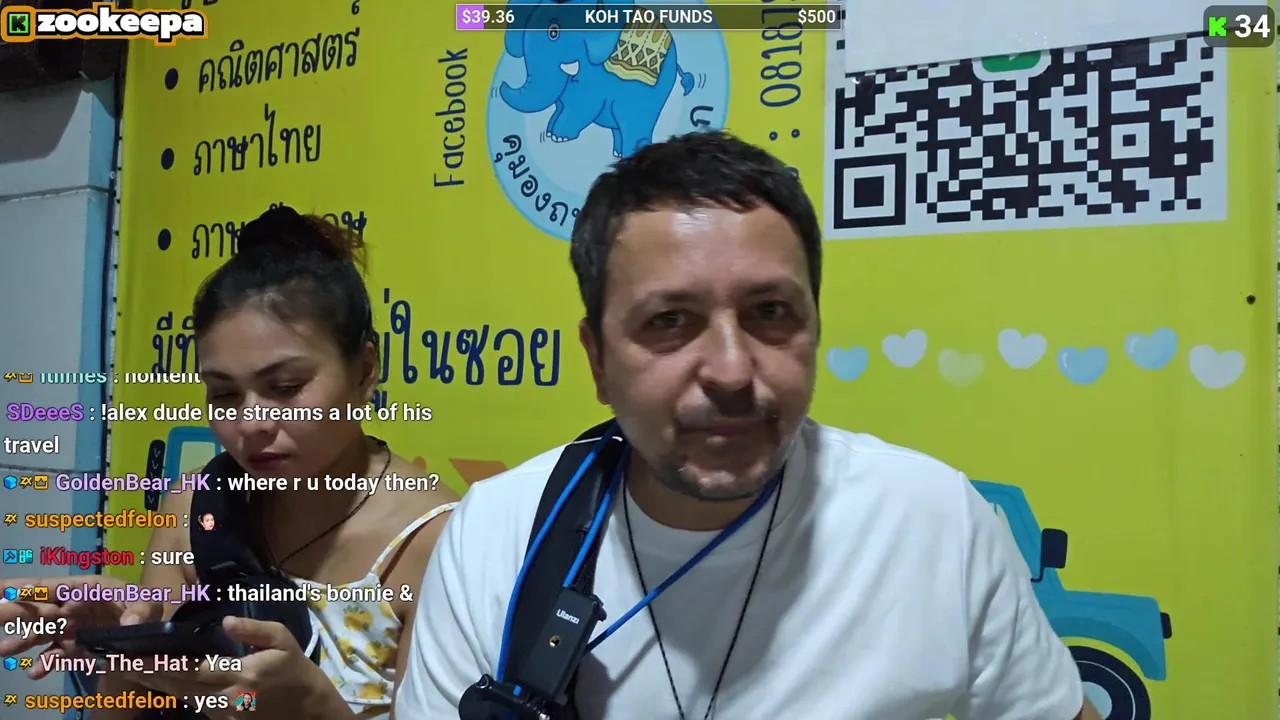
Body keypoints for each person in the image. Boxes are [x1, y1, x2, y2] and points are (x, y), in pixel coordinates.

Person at [396, 131, 1101, 720]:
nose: (732, 371)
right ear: (599, 361)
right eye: (670, 320)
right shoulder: (499, 534)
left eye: (770, 312)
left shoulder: (933, 521)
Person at [0, 206, 458, 719]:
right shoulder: (197, 505)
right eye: (224, 394)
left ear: (365, 371)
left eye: (285, 387)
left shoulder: (437, 541)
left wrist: (310, 705)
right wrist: (122, 650)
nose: (251, 422)